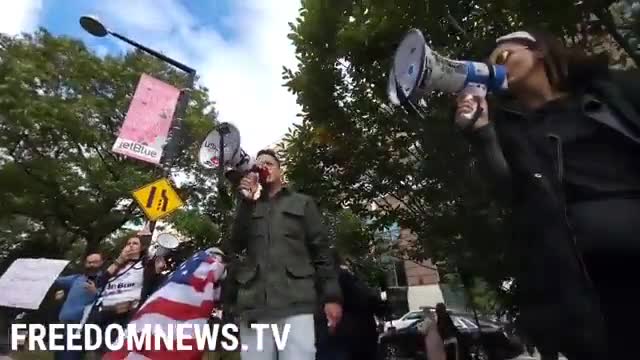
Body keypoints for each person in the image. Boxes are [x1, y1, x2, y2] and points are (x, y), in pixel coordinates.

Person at [454, 29, 640, 359]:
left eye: (503, 57)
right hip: (590, 286)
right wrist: (482, 136)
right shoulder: (512, 130)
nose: (497, 68)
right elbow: (512, 193)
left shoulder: (615, 92)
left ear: (538, 51)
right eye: (491, 66)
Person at [225, 149, 343, 360]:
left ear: (280, 170)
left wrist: (332, 297)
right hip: (255, 307)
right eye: (259, 165)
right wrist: (246, 201)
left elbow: (322, 252)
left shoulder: (302, 203)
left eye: (269, 163)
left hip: (296, 303)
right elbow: (236, 244)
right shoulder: (249, 206)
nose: (264, 168)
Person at [88, 236, 165, 353]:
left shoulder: (145, 265)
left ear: (141, 248)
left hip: (125, 315)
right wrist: (120, 259)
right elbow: (100, 282)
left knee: (116, 351)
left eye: (135, 243)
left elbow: (153, 284)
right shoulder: (115, 265)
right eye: (128, 243)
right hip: (105, 314)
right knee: (100, 351)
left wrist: (157, 271)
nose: (131, 245)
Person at [315, 252, 384, 360]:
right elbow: (370, 300)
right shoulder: (351, 278)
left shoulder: (335, 279)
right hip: (362, 335)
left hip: (346, 338)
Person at [52, 253, 104, 360]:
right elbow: (55, 279)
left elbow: (107, 300)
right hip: (62, 326)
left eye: (95, 262)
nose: (91, 265)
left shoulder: (104, 280)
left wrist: (96, 292)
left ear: (101, 263)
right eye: (89, 262)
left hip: (80, 328)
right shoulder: (77, 278)